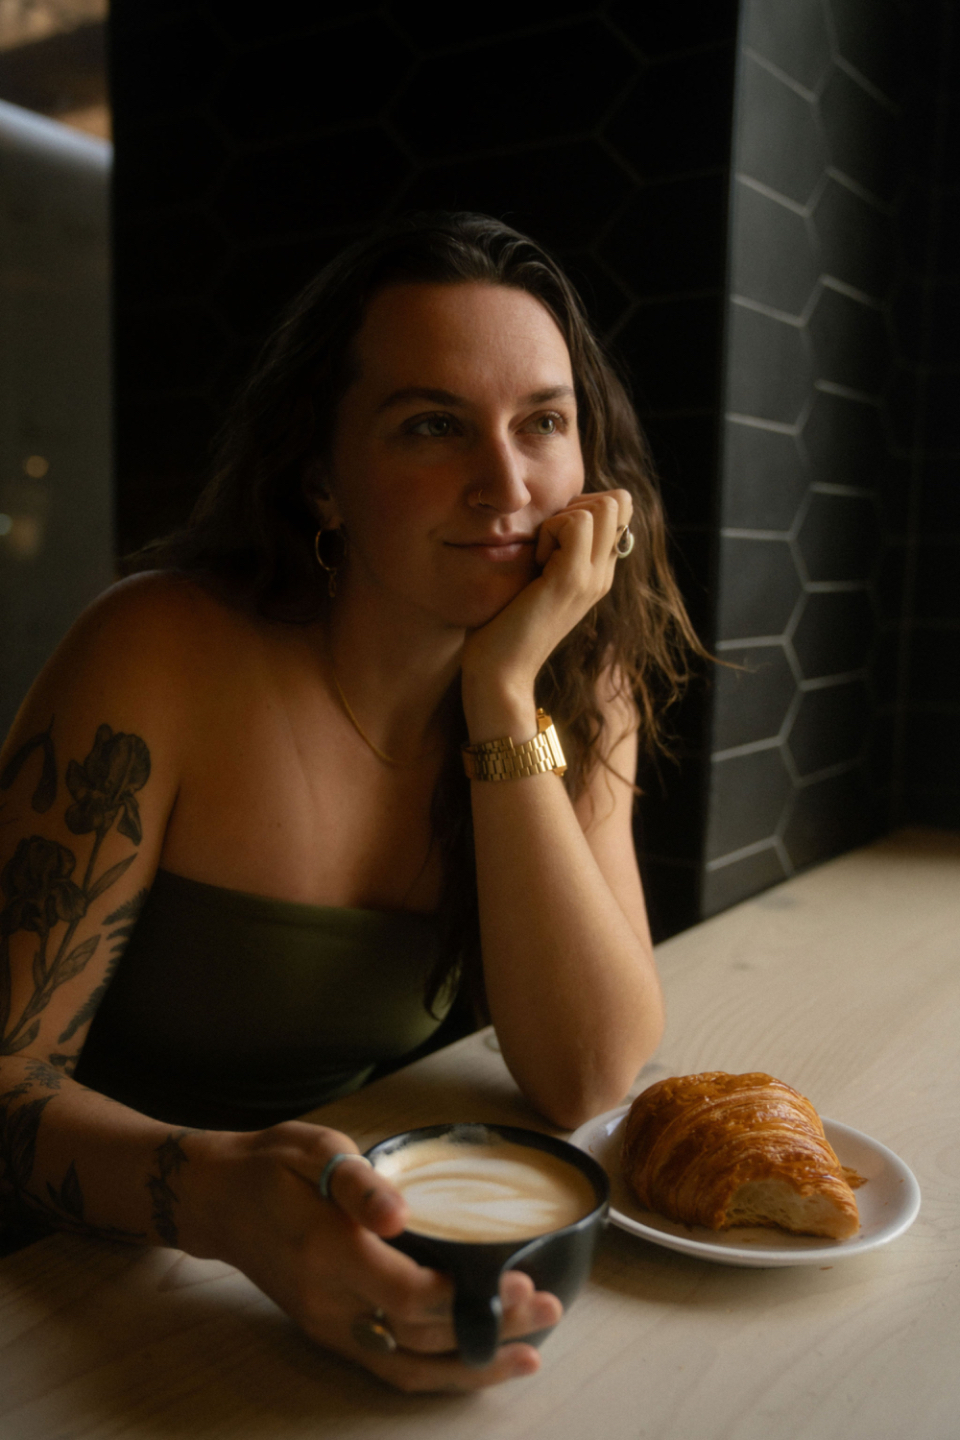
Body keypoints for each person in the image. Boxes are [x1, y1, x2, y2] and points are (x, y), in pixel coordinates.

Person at [0, 213, 699, 1391]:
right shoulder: (159, 653)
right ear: (322, 478)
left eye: (543, 422)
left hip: (363, 1244)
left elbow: (586, 1072)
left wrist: (501, 694)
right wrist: (221, 1202)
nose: (508, 485)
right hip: (78, 1291)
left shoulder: (578, 691)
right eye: (433, 424)